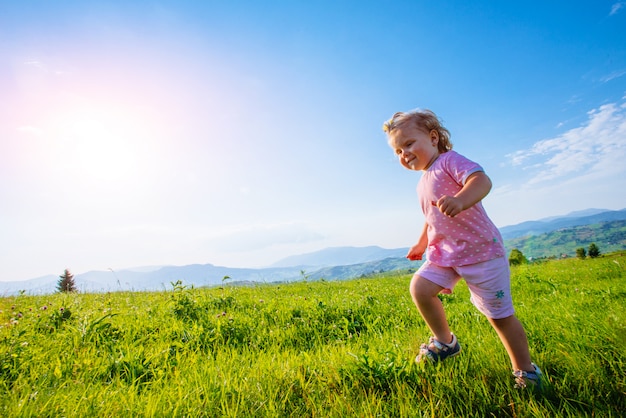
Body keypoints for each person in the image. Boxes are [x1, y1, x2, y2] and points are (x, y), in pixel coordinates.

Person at [382, 109, 542, 389]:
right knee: (420, 288)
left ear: (433, 138)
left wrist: (460, 200)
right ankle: (445, 342)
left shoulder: (448, 161)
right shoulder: (423, 180)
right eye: (397, 150)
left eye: (408, 144)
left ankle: (526, 372)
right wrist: (422, 242)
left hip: (481, 252)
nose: (403, 153)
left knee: (499, 316)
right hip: (446, 253)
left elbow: (481, 180)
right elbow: (432, 217)